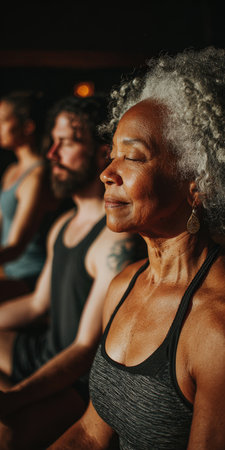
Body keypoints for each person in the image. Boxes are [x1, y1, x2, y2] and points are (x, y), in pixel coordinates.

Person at [45, 47, 225, 450]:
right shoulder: (125, 283)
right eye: (111, 156)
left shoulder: (215, 330)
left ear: (198, 182)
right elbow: (92, 433)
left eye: (134, 158)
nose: (108, 173)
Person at [0, 95, 145, 449]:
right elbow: (37, 304)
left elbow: (84, 348)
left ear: (100, 154)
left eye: (67, 143)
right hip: (44, 353)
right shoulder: (63, 223)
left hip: (74, 379)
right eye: (54, 142)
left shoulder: (114, 242)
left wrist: (15, 398)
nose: (52, 154)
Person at [0, 90, 59, 301]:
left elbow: (16, 247)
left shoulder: (38, 175)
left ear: (28, 126)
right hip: (9, 272)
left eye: (3, 120)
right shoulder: (11, 171)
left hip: (32, 276)